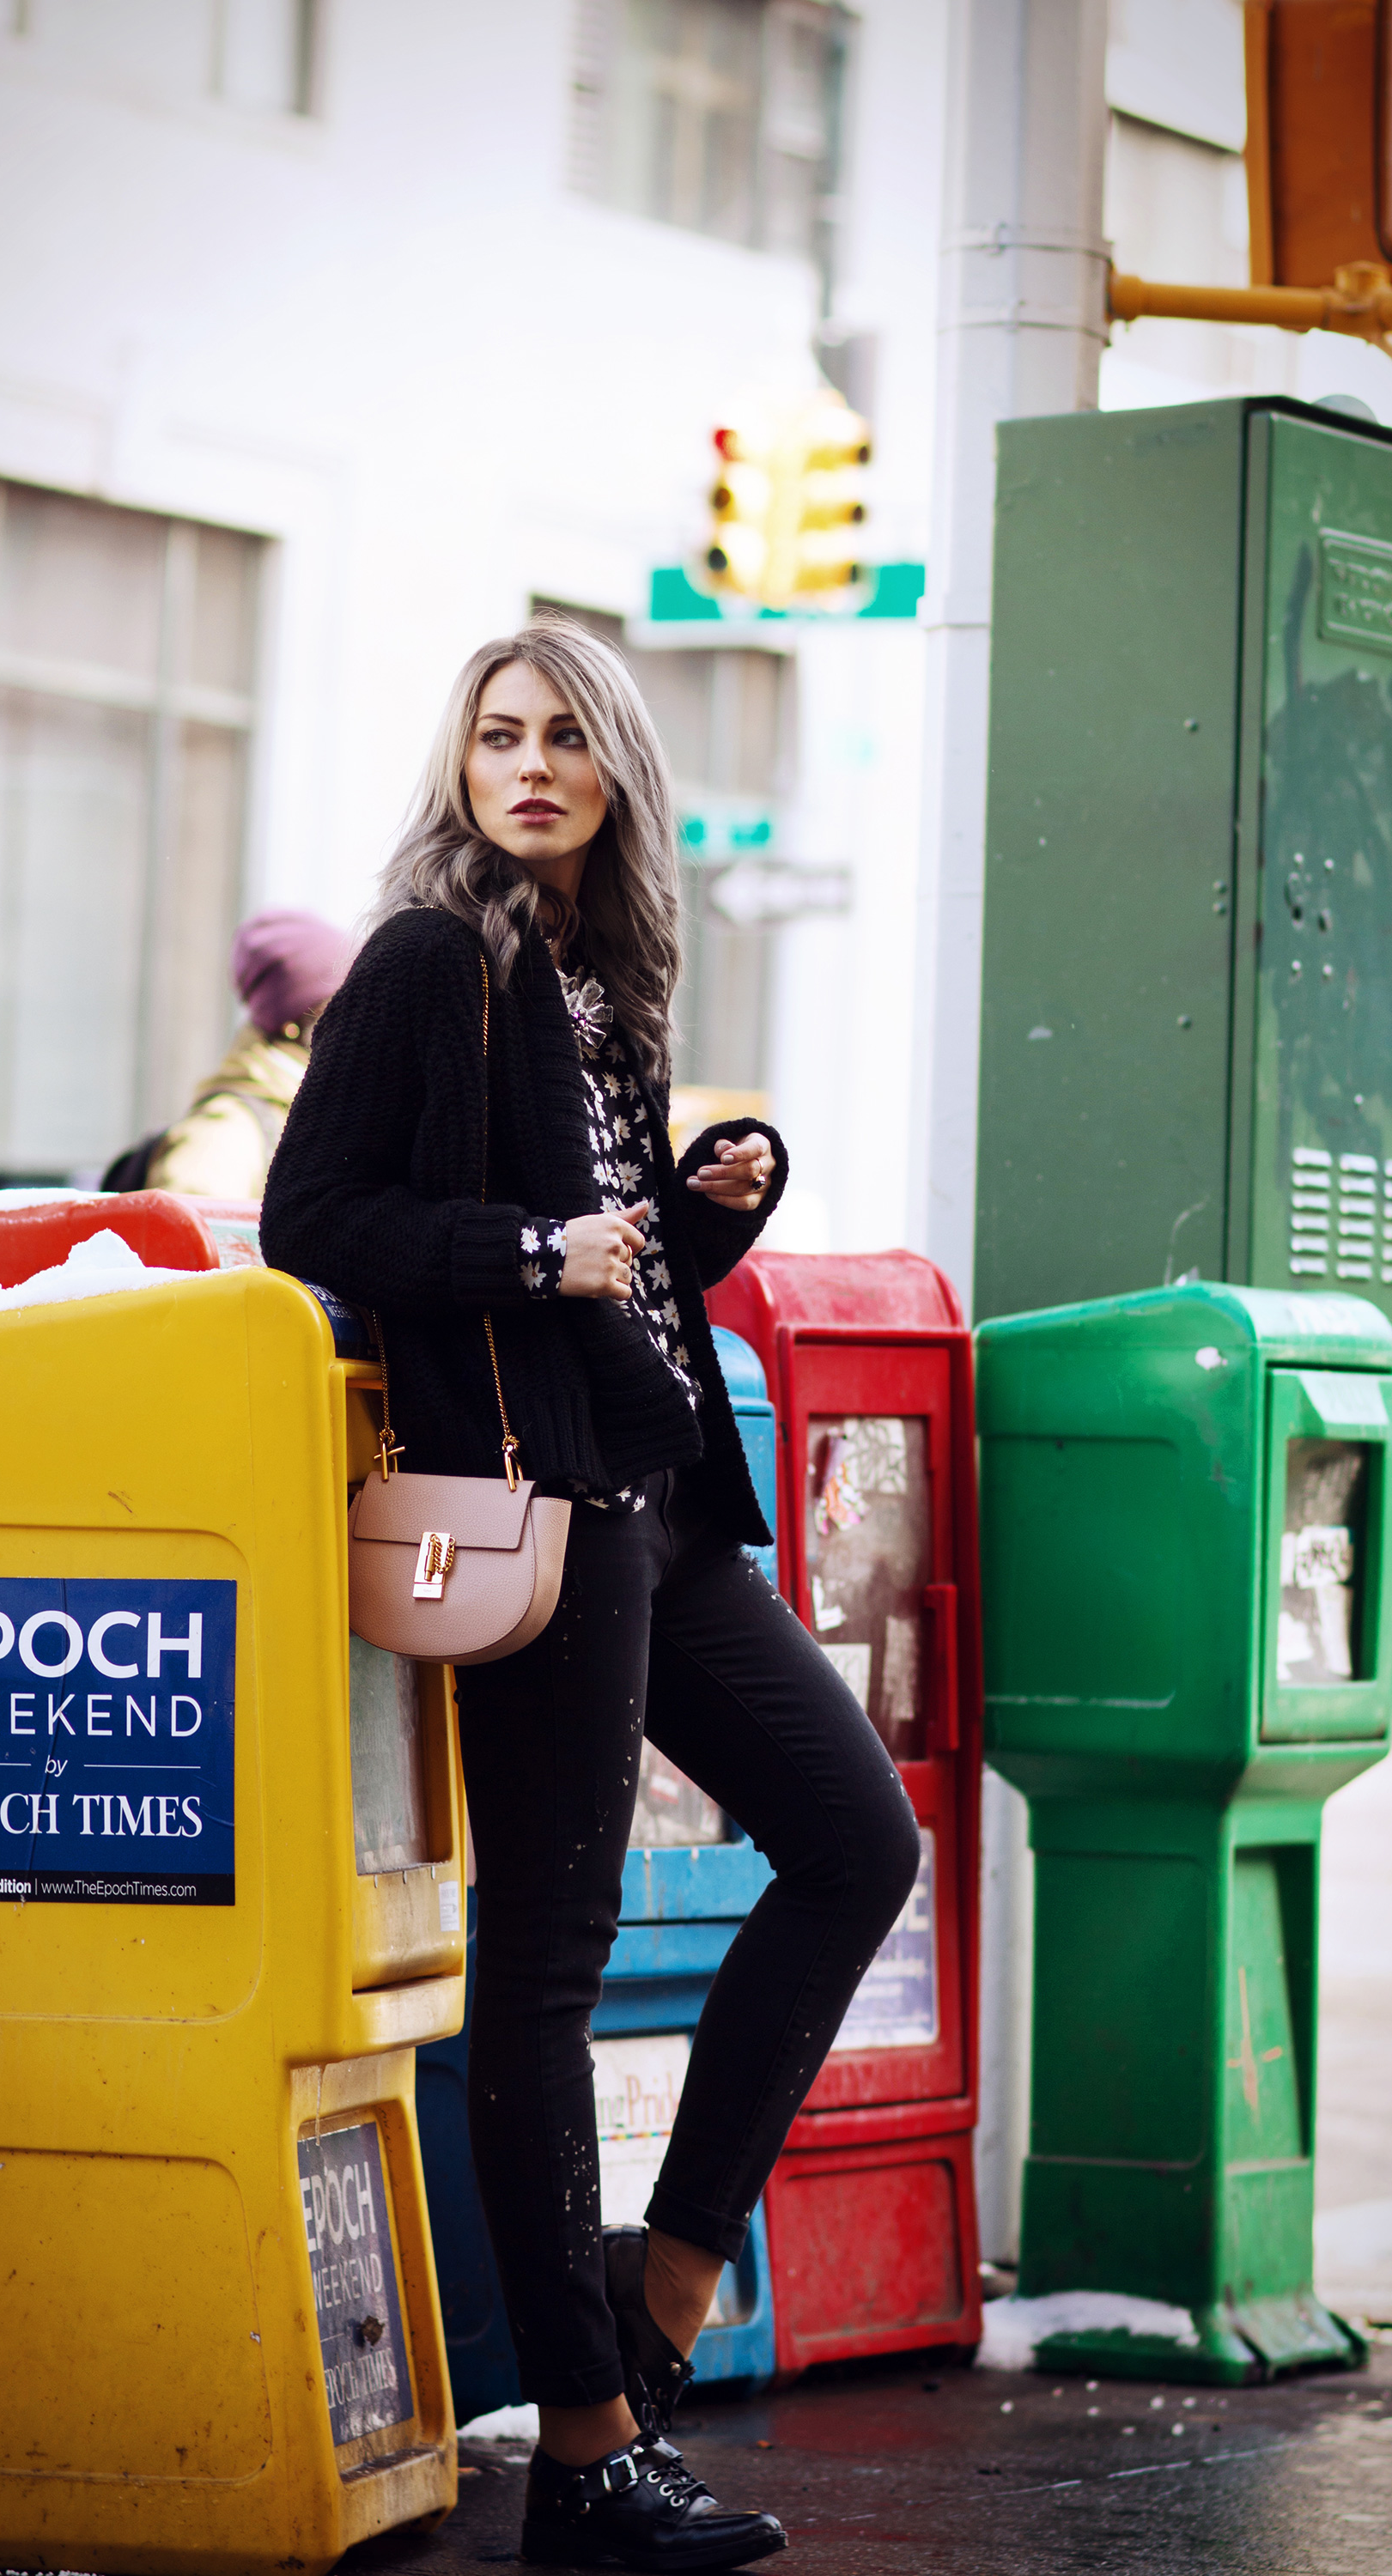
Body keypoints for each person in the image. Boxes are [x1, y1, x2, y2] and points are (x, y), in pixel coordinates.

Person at [261, 617, 919, 2572]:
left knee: (850, 1837)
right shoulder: (428, 957)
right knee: (543, 1966)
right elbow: (319, 1218)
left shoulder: (606, 979)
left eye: (564, 735)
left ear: (616, 767)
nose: (528, 762)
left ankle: (662, 2294)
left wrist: (694, 1225)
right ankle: (581, 2448)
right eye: (495, 733)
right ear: (457, 764)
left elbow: (622, 1291)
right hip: (533, 1511)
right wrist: (537, 1240)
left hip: (660, 1505)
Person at [102, 908, 354, 1196]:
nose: (359, 1014)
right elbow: (186, 1235)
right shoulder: (226, 1135)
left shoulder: (310, 1110)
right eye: (340, 1002)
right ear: (293, 1023)